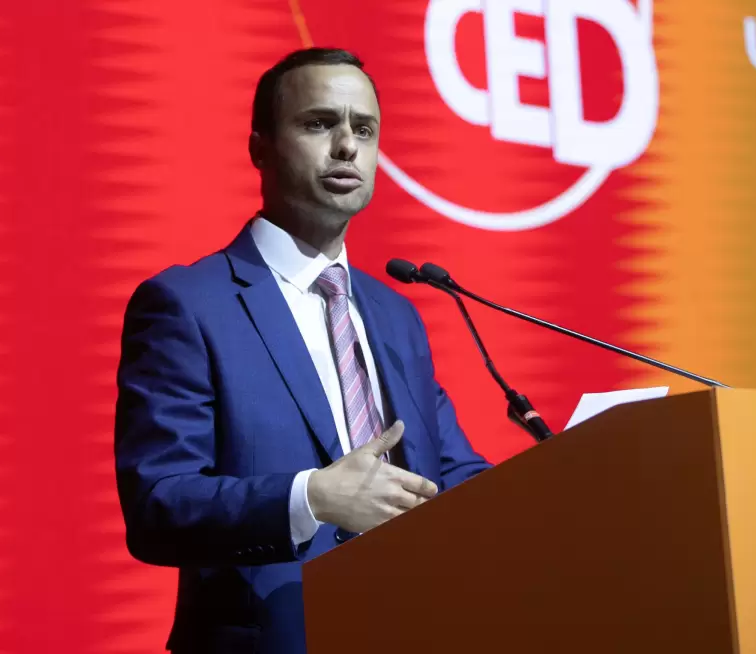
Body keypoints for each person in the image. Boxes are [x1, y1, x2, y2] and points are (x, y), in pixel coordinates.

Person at [114, 47, 491, 654]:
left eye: (364, 129)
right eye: (319, 123)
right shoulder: (188, 304)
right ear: (259, 148)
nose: (347, 146)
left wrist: (573, 476)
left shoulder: (398, 315)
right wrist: (311, 498)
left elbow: (450, 475)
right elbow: (158, 503)